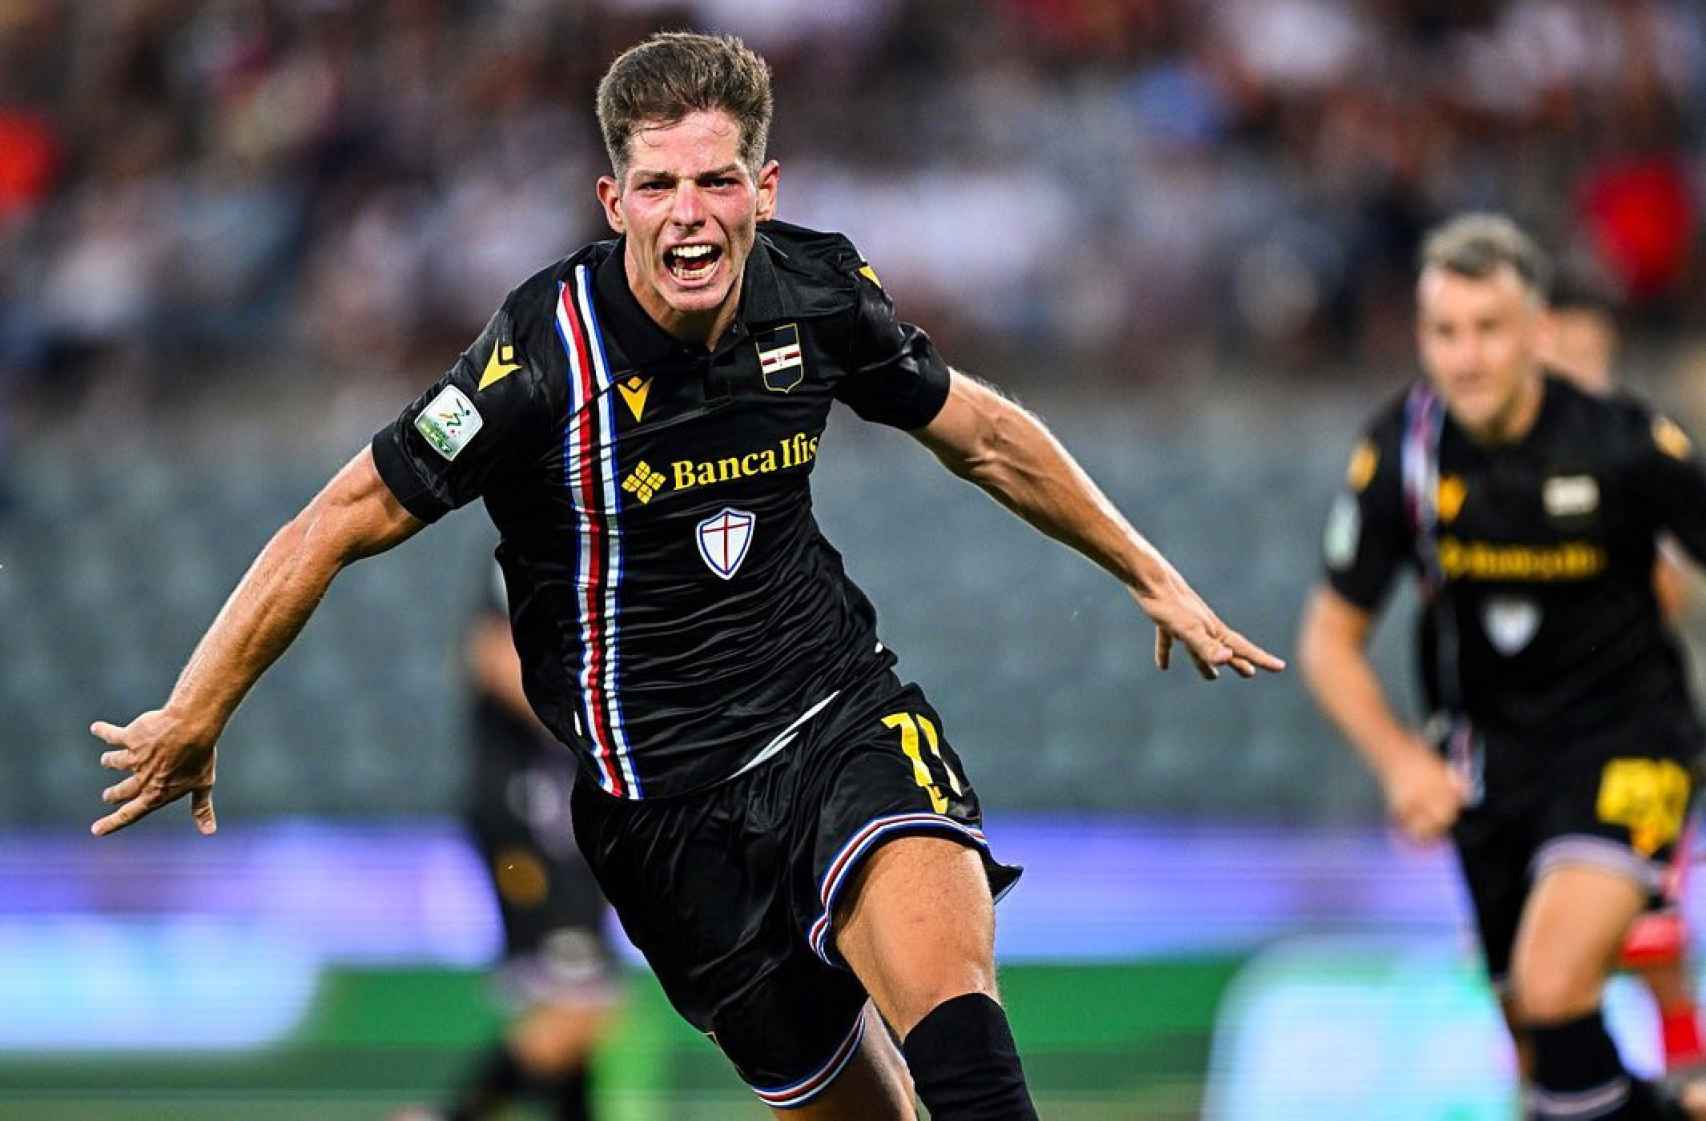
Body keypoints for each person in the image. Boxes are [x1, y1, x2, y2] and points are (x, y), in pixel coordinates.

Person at [87, 32, 1283, 1121]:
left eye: (717, 180)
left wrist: (1146, 570)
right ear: (614, 202)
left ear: (764, 188)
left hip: (836, 723)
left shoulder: (816, 291)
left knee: (971, 1068)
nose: (690, 213)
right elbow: (337, 517)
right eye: (658, 185)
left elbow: (977, 430)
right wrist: (201, 703)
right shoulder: (539, 356)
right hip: (660, 820)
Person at [1297, 212, 1706, 1120]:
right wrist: (1403, 761)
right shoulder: (1405, 451)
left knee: (1554, 980)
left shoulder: (1622, 443)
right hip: (1488, 770)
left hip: (1629, 743)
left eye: (1489, 329)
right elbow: (1329, 640)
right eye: (1446, 332)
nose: (1468, 356)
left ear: (1538, 333)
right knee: (1544, 1066)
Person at [1542, 265, 1704, 1076]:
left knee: (1653, 952)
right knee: (1535, 973)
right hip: (1532, 748)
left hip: (1632, 737)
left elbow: (1673, 584)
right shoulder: (1487, 462)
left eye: (1592, 356)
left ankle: (1686, 1089)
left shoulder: (1637, 453)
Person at [395, 560, 621, 1121]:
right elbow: (492, 658)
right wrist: (597, 725)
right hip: (527, 822)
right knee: (579, 1007)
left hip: (574, 826)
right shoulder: (529, 549)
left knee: (572, 1009)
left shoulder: (612, 555)